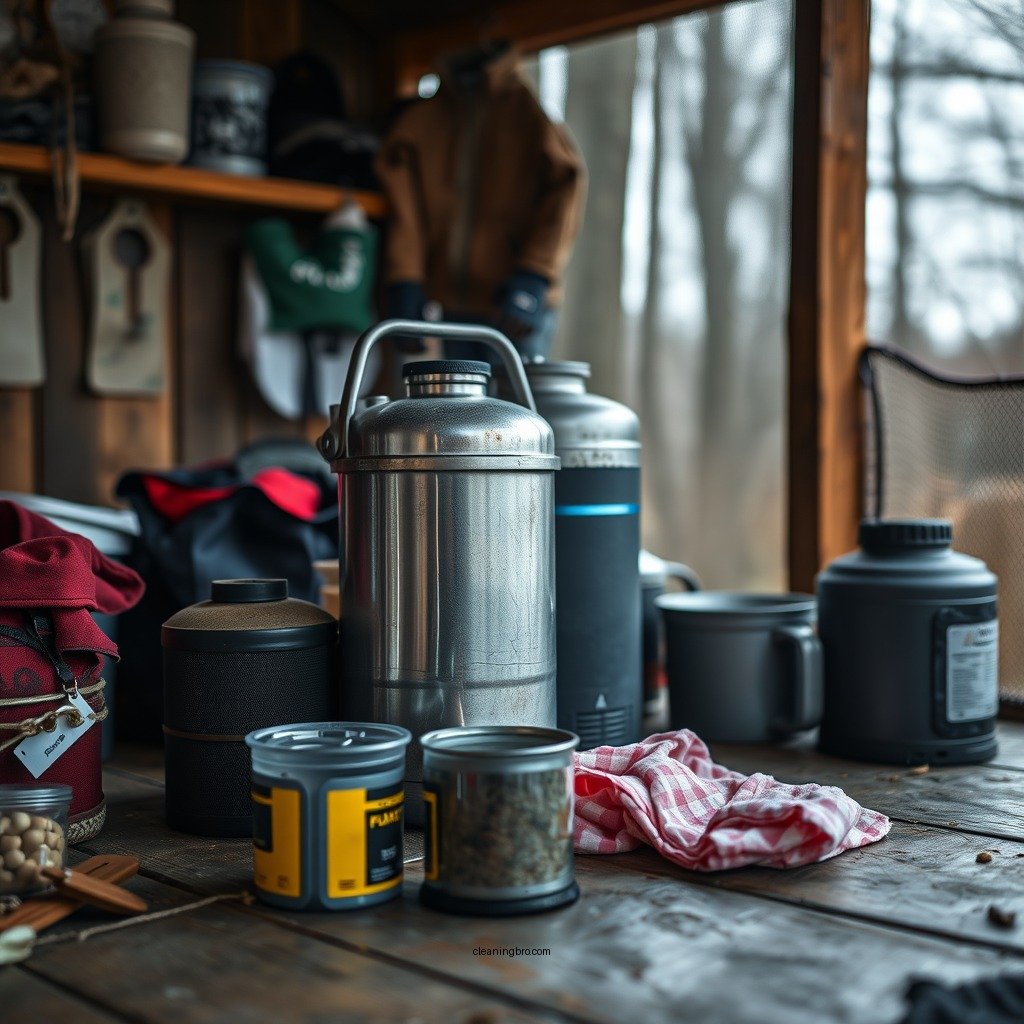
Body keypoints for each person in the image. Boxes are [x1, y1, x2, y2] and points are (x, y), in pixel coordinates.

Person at [374, 42, 586, 362]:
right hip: (450, 304)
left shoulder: (527, 114)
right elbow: (405, 208)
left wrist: (534, 273)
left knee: (518, 409)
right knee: (461, 409)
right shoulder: (422, 121)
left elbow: (566, 188)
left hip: (513, 304)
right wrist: (405, 278)